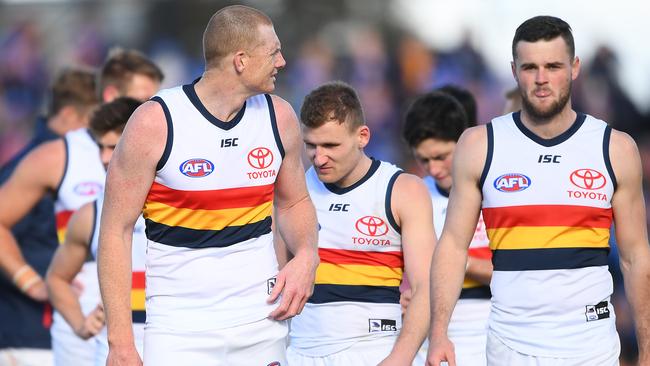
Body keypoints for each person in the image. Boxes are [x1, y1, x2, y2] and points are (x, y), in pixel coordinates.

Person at [97, 5, 319, 366]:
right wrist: (120, 342)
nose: (282, 61)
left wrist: (308, 254)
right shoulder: (156, 122)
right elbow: (114, 231)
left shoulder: (279, 117)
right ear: (241, 60)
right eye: (274, 51)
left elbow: (293, 204)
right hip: (180, 330)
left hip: (261, 323)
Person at [426, 15, 650, 366]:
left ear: (575, 68)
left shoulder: (615, 149)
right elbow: (453, 246)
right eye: (530, 67)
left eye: (553, 66)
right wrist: (438, 335)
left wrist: (648, 351)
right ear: (514, 71)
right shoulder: (480, 145)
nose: (542, 79)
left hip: (591, 348)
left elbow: (636, 257)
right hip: (510, 346)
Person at [0, 50, 163, 366]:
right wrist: (29, 280)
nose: (154, 108)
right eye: (146, 98)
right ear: (112, 94)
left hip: (153, 318)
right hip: (84, 323)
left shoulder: (165, 150)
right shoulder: (61, 154)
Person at [285, 81, 435, 365]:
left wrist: (400, 359)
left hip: (375, 350)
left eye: (330, 145)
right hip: (301, 350)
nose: (320, 158)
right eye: (311, 146)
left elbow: (426, 287)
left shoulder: (403, 190)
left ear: (362, 136)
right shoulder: (293, 191)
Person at [0, 67, 98, 366]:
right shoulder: (43, 165)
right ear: (69, 115)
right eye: (92, 124)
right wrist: (35, 282)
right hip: (32, 334)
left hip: (54, 332)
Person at [45, 98, 143, 366]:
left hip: (180, 339)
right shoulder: (90, 213)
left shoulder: (179, 201)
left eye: (112, 147)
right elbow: (56, 278)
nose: (103, 158)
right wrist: (81, 325)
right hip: (114, 349)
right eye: (100, 147)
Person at [403, 90, 492, 366]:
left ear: (464, 142)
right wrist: (402, 297)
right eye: (423, 160)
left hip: (491, 324)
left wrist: (462, 264)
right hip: (430, 332)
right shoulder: (412, 197)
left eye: (441, 156)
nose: (434, 168)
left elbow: (522, 275)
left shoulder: (497, 192)